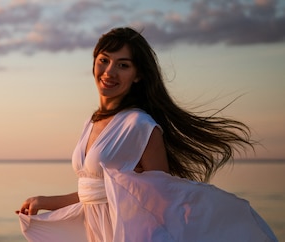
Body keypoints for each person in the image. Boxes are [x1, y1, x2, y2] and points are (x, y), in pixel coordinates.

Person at [16, 27, 277, 242]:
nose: (109, 72)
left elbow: (161, 201)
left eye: (123, 65)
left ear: (138, 75)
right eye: (104, 60)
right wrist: (44, 201)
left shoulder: (140, 125)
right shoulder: (90, 123)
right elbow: (94, 193)